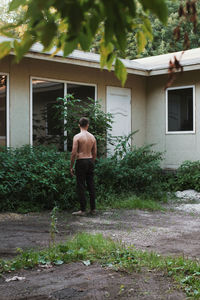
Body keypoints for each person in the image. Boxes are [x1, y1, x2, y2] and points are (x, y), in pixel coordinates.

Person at [70, 117, 97, 216]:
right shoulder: (92, 137)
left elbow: (73, 153)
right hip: (90, 160)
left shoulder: (77, 137)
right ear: (88, 125)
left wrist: (71, 166)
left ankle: (83, 210)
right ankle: (93, 209)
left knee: (81, 185)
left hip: (81, 161)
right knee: (91, 185)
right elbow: (95, 153)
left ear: (79, 125)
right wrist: (91, 162)